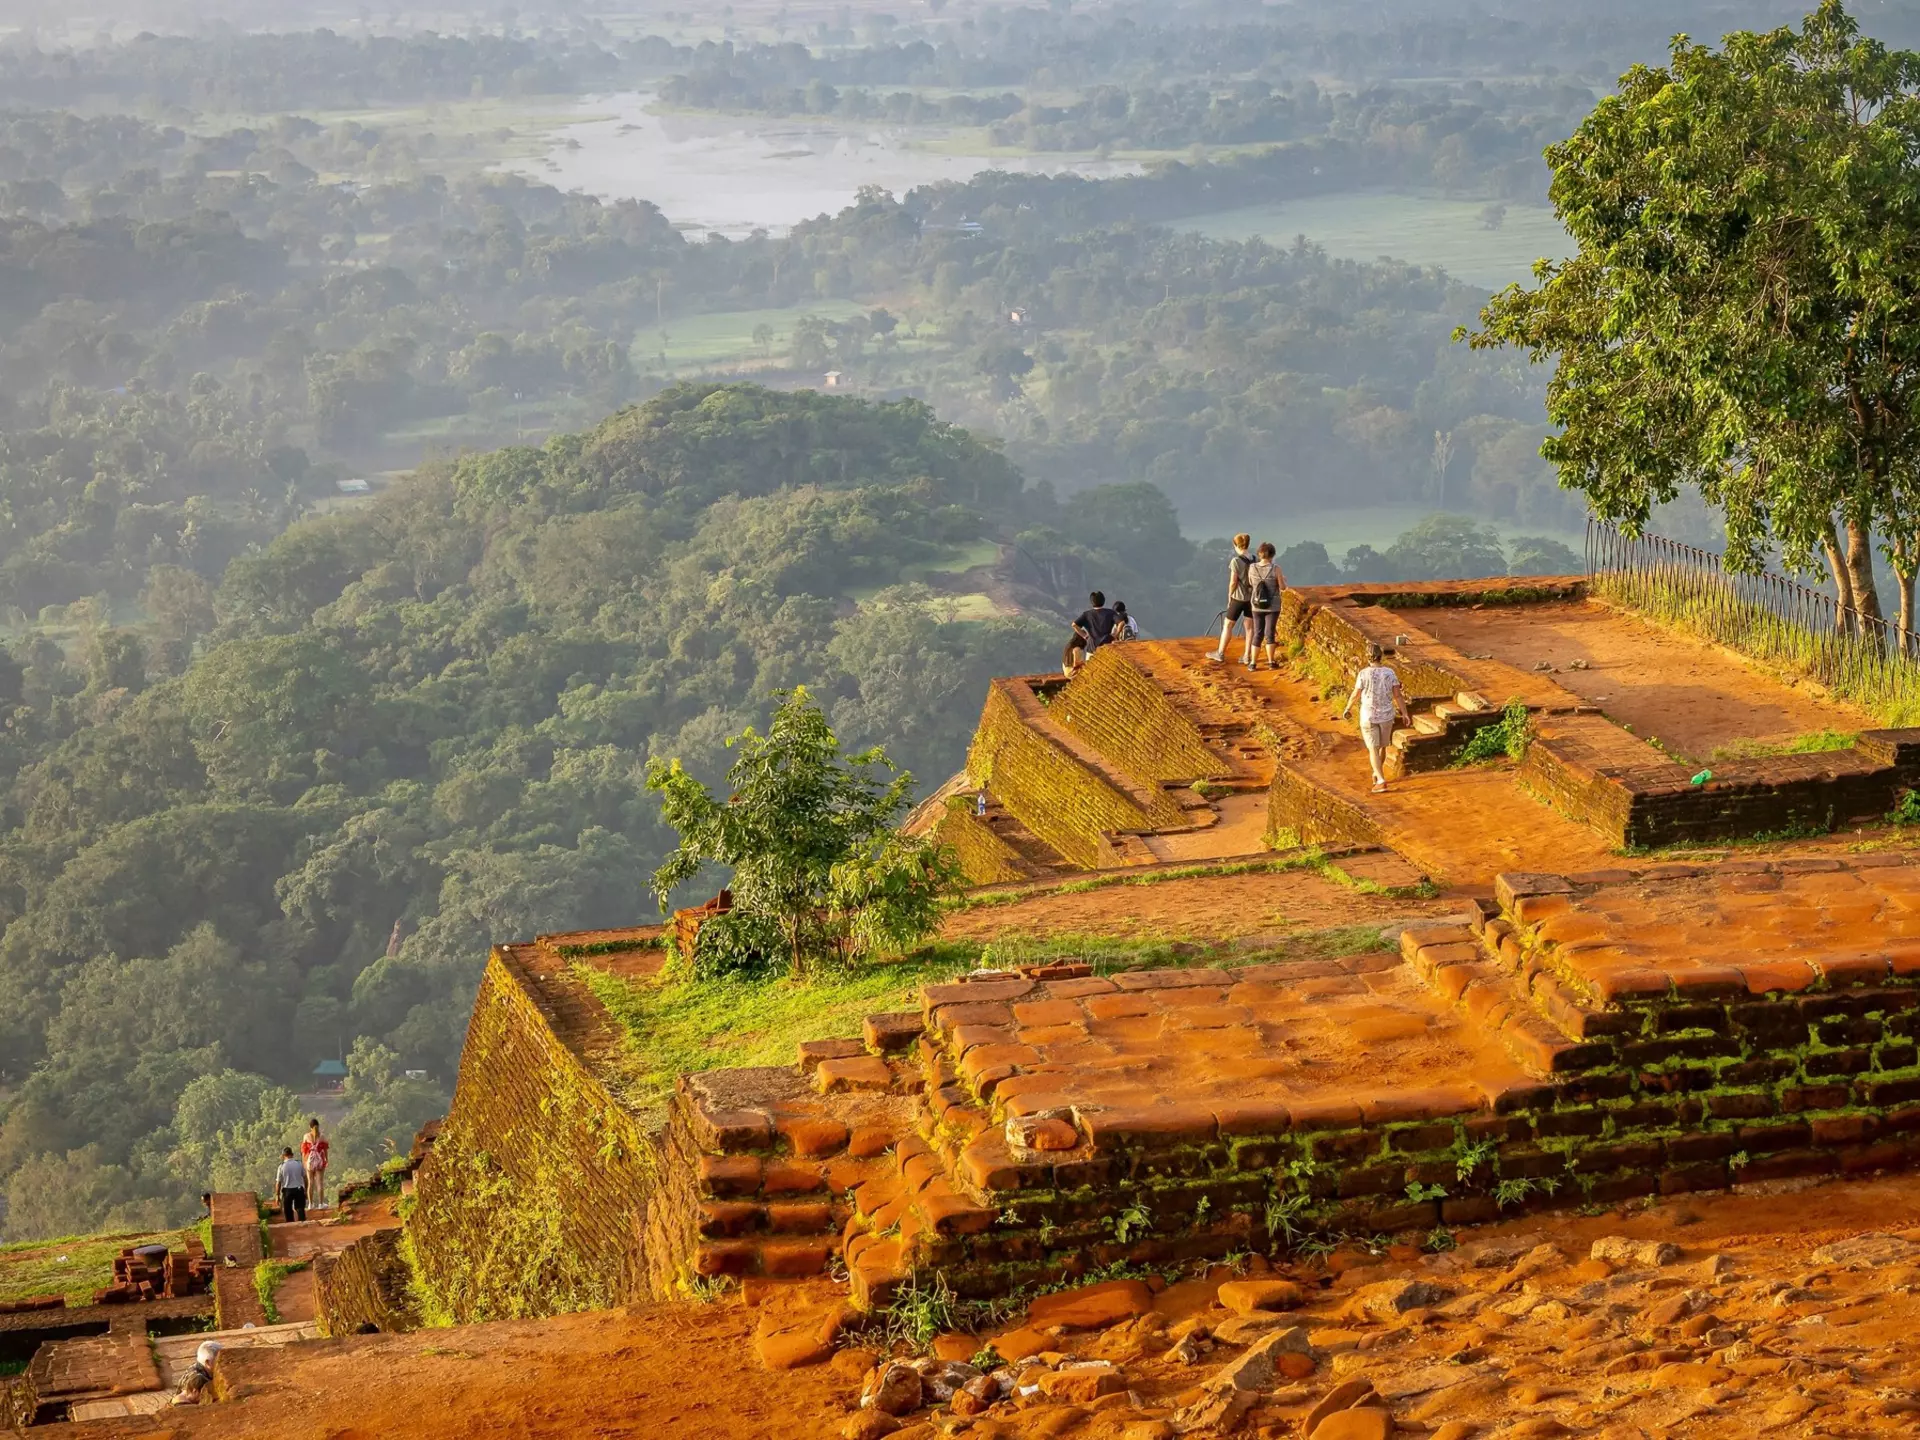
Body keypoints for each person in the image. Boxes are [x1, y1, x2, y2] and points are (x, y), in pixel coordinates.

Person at [1339, 642, 1410, 793]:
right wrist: (1404, 713)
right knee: (1382, 746)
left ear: (1368, 656)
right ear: (1380, 656)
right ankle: (1377, 773)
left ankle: (1381, 779)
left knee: (1373, 748)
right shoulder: (1390, 673)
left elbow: (1355, 694)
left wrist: (1347, 708)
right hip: (1386, 715)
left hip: (1369, 715)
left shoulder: (1363, 674)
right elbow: (1397, 695)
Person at [1204, 534, 1256, 663]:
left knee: (1228, 625)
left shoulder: (1235, 561)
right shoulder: (1255, 559)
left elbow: (1233, 582)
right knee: (1249, 627)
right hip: (1252, 598)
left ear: (1235, 545)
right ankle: (1246, 656)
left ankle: (1220, 653)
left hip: (1238, 598)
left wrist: (1229, 595)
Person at [1245, 543, 1284, 670]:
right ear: (1272, 554)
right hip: (1272, 606)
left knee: (1258, 633)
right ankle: (1271, 662)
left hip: (1256, 605)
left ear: (1259, 554)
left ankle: (1253, 663)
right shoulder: (1275, 568)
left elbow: (1251, 583)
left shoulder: (1252, 567)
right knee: (1270, 633)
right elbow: (1283, 587)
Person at [1062, 590, 1117, 675]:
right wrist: (1114, 635)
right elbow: (1121, 623)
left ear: (1092, 602)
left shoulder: (1087, 614)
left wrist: (1085, 635)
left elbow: (1074, 625)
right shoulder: (1110, 613)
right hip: (1107, 646)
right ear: (1103, 600)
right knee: (1107, 673)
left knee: (1092, 674)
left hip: (1091, 648)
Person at [170, 1340, 221, 1406]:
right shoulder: (198, 1378)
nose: (222, 1362)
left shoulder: (200, 1368)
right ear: (208, 1362)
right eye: (218, 1359)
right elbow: (181, 1398)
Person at [301, 1119, 330, 1211]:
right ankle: (321, 1204)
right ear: (318, 1125)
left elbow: (304, 1151)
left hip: (310, 1162)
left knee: (310, 1183)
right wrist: (326, 1160)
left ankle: (310, 1204)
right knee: (320, 1183)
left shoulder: (306, 1136)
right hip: (319, 1161)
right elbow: (325, 1150)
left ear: (310, 1127)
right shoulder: (322, 1136)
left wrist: (304, 1162)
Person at [275, 1146, 308, 1223]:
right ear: (292, 1154)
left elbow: (278, 1182)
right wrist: (305, 1190)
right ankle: (302, 1225)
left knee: (288, 1210)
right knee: (300, 1208)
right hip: (299, 1189)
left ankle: (290, 1225)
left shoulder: (281, 1166)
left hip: (287, 1190)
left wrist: (277, 1195)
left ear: (283, 1156)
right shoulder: (299, 1163)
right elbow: (305, 1178)